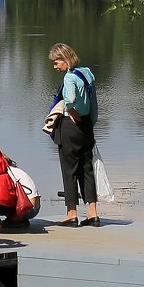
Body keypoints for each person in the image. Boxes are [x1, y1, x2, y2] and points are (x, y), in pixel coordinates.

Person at [48, 42, 100, 226]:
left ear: (66, 58)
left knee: (69, 169)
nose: (55, 67)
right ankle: (93, 213)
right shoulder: (87, 73)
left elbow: (69, 99)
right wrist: (90, 123)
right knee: (87, 169)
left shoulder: (69, 77)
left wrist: (70, 109)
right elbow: (93, 103)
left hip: (70, 127)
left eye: (57, 62)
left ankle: (71, 213)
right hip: (86, 126)